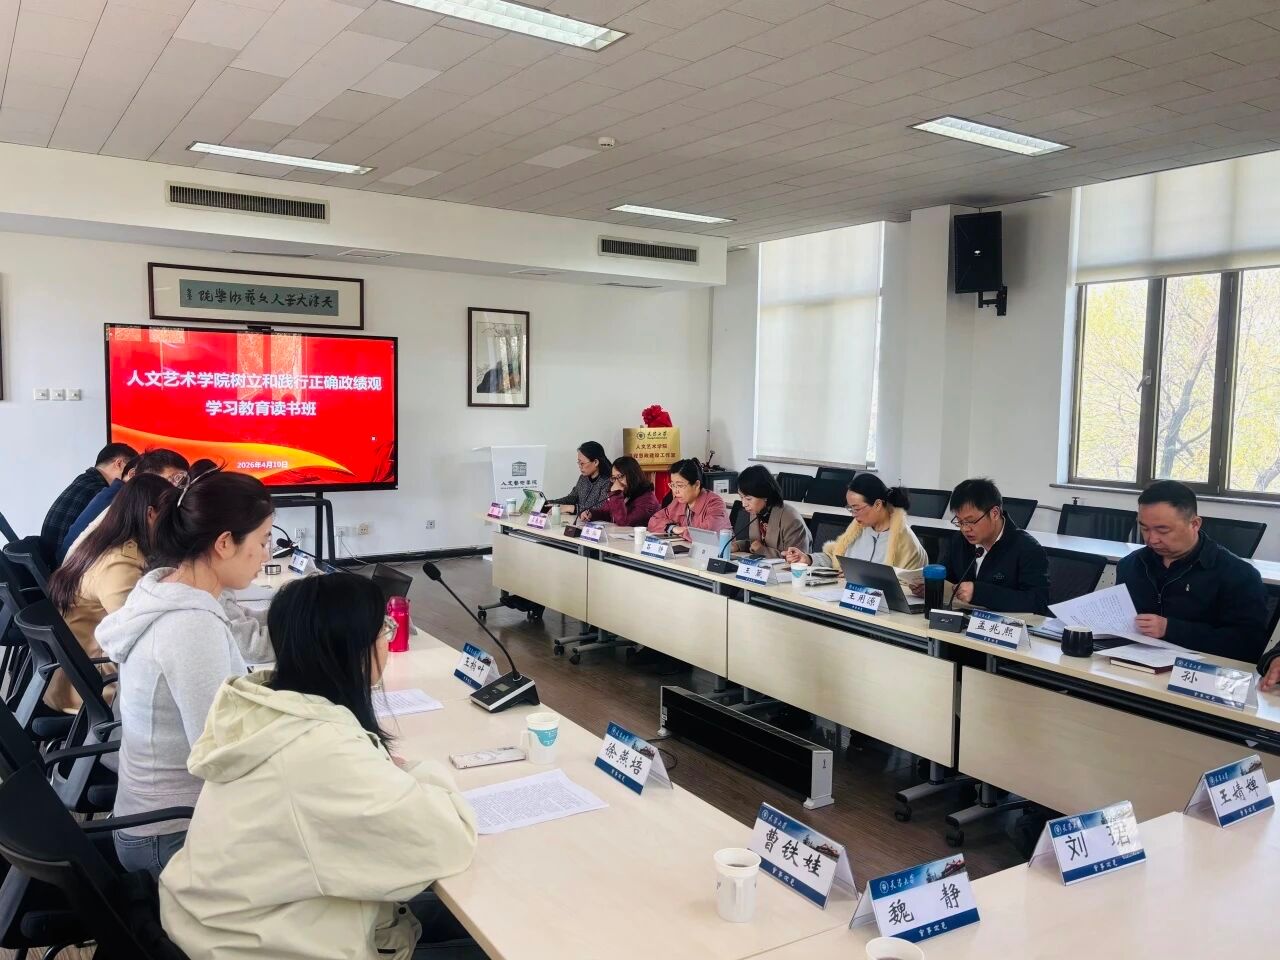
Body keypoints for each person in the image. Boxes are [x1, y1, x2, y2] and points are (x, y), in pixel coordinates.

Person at [159, 573, 479, 960]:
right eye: (384, 629)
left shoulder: (268, 710)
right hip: (269, 945)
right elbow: (448, 839)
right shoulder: (319, 750)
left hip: (239, 928)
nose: (388, 640)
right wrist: (414, 771)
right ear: (351, 648)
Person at [96, 468, 275, 876]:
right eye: (263, 541)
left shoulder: (167, 588)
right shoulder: (190, 626)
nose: (267, 554)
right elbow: (221, 753)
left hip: (152, 818)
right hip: (171, 833)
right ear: (224, 543)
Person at [44, 474, 172, 713]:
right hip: (96, 690)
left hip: (79, 679)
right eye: (170, 518)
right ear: (151, 514)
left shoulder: (106, 543)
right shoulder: (120, 563)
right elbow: (138, 633)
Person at [1118, 480, 1268, 663]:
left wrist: (1170, 629)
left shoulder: (1238, 575)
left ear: (1195, 524)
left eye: (1163, 530)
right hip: (1132, 663)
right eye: (1144, 528)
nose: (1152, 539)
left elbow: (1248, 645)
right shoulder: (1131, 565)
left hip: (1203, 670)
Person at [57, 448, 189, 563]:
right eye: (172, 480)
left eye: (181, 483)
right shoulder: (119, 503)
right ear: (143, 477)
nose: (174, 491)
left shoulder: (115, 495)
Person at [942, 478, 1049, 615]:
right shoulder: (959, 540)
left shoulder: (1027, 549)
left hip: (1005, 625)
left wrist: (979, 593)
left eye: (971, 521)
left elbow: (1038, 602)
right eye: (960, 522)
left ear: (994, 513)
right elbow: (947, 576)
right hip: (962, 620)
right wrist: (932, 585)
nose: (965, 529)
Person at [786, 474, 926, 572]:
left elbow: (908, 586)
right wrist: (808, 559)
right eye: (850, 508)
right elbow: (836, 558)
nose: (853, 514)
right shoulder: (858, 529)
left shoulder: (906, 542)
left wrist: (858, 578)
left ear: (877, 505)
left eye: (857, 508)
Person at [39, 442, 138, 564]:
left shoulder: (84, 481)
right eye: (133, 472)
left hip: (48, 561)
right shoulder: (102, 494)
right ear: (119, 464)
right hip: (63, 565)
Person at [733, 465, 810, 559]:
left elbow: (796, 559)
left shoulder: (791, 520)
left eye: (748, 499)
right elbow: (757, 544)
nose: (744, 504)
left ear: (765, 495)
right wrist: (738, 546)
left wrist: (762, 550)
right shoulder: (758, 511)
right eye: (741, 497)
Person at [647, 459, 730, 540]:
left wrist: (682, 531)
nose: (675, 491)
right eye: (673, 485)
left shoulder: (715, 503)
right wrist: (673, 528)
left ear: (696, 484)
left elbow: (705, 535)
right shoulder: (678, 502)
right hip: (687, 547)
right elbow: (653, 521)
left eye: (680, 485)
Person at [580, 455, 661, 527]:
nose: (616, 482)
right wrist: (591, 514)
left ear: (632, 476)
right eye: (614, 478)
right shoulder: (625, 492)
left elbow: (625, 522)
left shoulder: (647, 499)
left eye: (620, 477)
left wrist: (616, 494)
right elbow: (606, 513)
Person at [547, 441, 612, 516]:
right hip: (580, 521)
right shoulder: (583, 478)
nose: (580, 466)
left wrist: (570, 508)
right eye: (579, 462)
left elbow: (600, 509)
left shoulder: (608, 481)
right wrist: (552, 503)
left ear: (595, 462)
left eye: (582, 463)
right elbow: (572, 498)